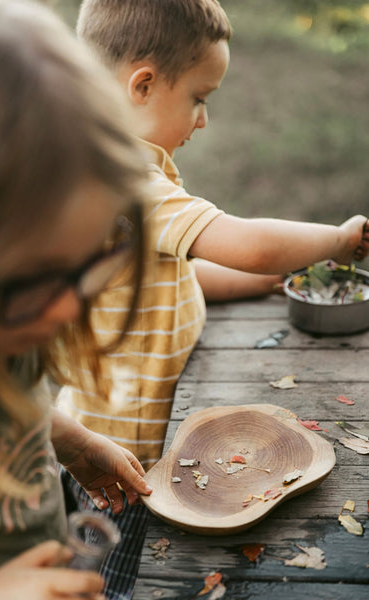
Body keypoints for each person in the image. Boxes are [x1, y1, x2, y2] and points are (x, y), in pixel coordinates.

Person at [57, 1, 369, 598]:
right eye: (200, 97)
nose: (203, 121)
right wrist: (334, 241)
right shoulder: (126, 180)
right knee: (119, 581)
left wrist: (261, 282)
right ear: (142, 85)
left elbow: (178, 270)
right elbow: (246, 242)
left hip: (125, 425)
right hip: (124, 453)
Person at [0, 0, 153, 597]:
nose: (70, 308)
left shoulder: (5, 335)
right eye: (35, 278)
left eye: (88, 264)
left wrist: (67, 438)